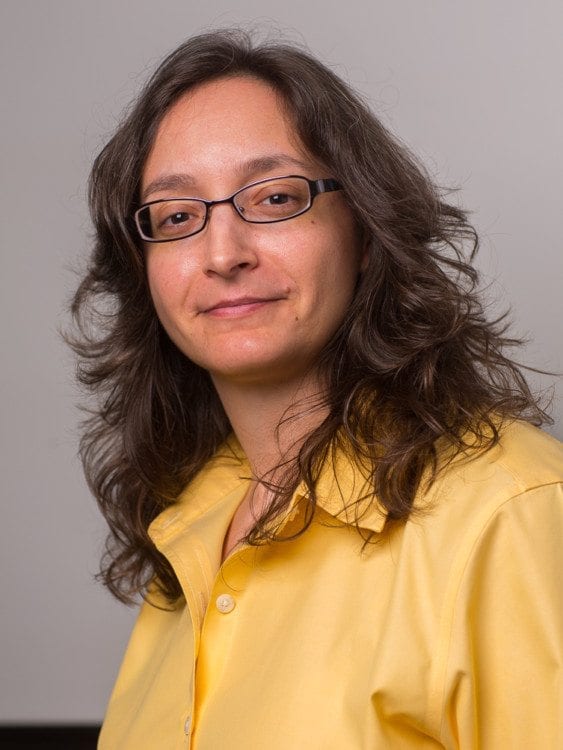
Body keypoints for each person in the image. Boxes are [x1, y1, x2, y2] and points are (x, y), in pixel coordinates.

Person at [70, 29, 563, 749]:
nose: (222, 253)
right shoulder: (193, 526)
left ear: (363, 231)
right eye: (176, 216)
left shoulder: (512, 516)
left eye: (274, 198)